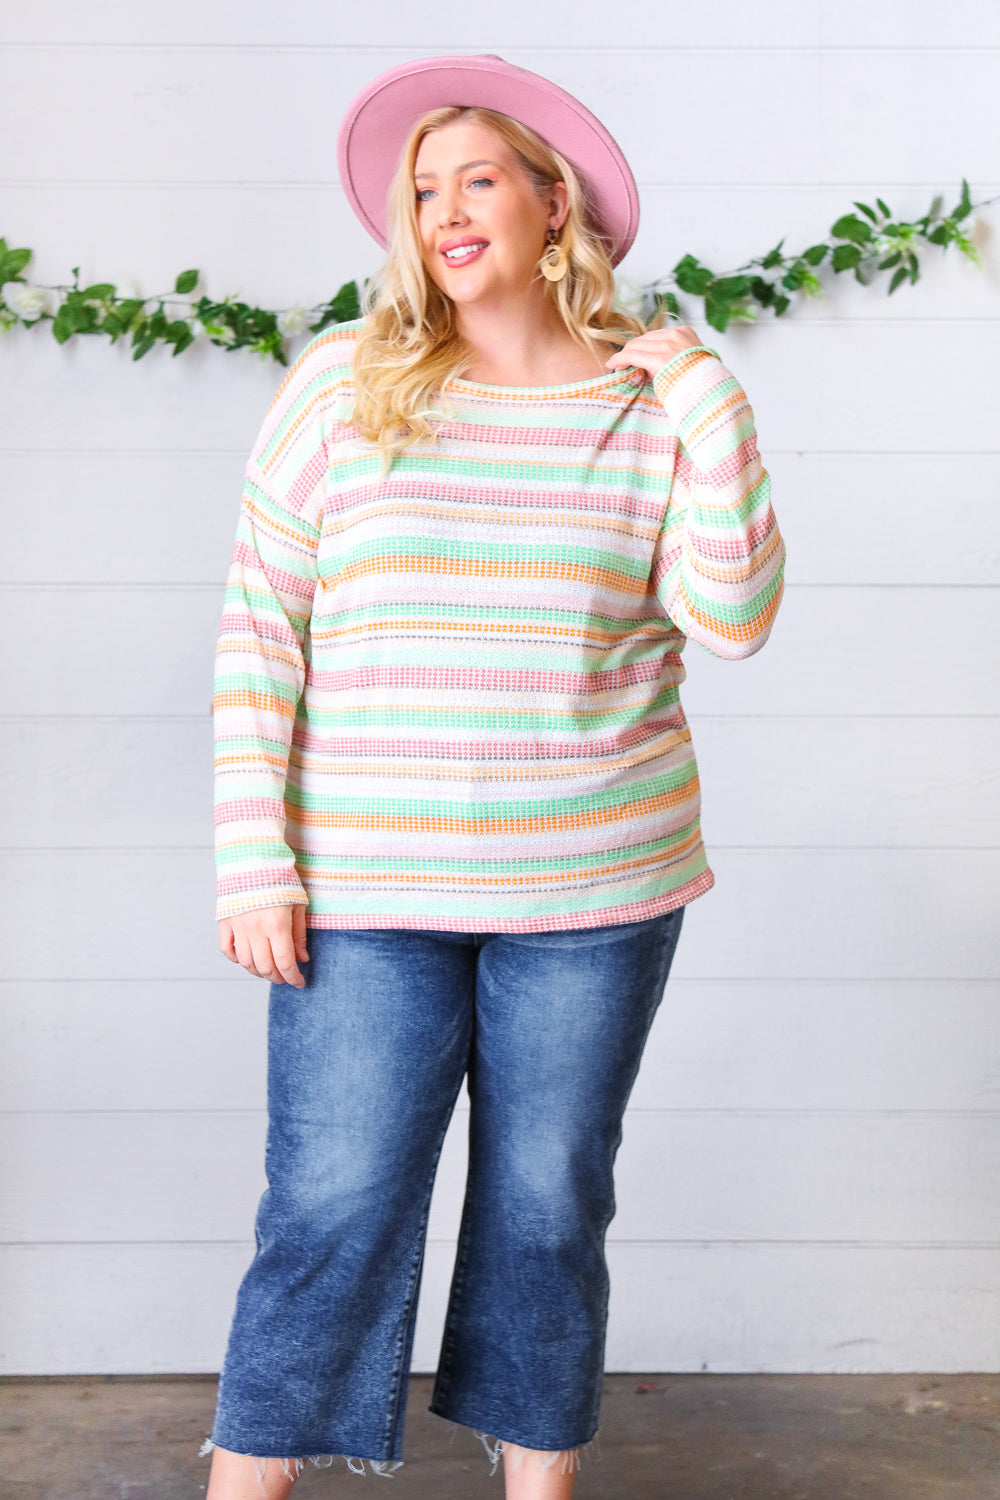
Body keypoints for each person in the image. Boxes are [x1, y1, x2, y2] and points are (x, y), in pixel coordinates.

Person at [202, 53, 786, 1500]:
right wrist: (254, 858)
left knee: (547, 1209)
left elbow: (734, 619)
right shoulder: (342, 385)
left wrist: (707, 398)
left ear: (554, 202)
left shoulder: (650, 409)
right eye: (424, 190)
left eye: (478, 179)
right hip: (366, 883)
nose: (447, 211)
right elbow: (261, 629)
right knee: (330, 1204)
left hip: (595, 883)